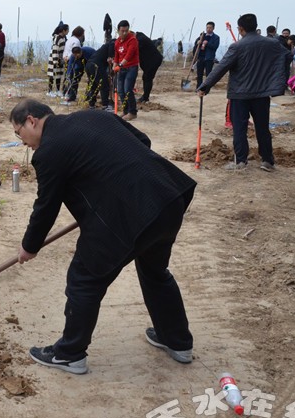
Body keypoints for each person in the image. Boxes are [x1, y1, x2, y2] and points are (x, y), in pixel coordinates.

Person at [10, 99, 196, 374]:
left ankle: (70, 353)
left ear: (31, 120)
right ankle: (178, 342)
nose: (22, 142)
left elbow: (46, 205)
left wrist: (29, 246)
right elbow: (142, 141)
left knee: (83, 280)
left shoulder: (49, 151)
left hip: (130, 216)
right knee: (155, 271)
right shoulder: (94, 116)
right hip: (168, 198)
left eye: (19, 133)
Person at [198, 13, 288, 172]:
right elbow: (287, 55)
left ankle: (240, 161)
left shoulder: (237, 47)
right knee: (262, 128)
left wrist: (205, 86)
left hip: (240, 95)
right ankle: (267, 161)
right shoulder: (271, 44)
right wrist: (275, 79)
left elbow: (221, 67)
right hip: (262, 94)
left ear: (240, 29)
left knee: (239, 128)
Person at [113, 20, 140, 121]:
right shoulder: (117, 42)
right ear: (118, 31)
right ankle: (125, 111)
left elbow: (129, 55)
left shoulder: (132, 40)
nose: (124, 33)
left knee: (128, 89)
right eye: (122, 31)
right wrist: (114, 65)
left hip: (131, 68)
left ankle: (132, 112)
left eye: (126, 31)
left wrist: (120, 65)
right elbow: (116, 56)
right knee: (120, 91)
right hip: (121, 69)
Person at [85, 41, 113, 110]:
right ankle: (105, 105)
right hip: (96, 66)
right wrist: (110, 56)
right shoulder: (114, 43)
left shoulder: (105, 47)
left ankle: (91, 104)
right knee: (104, 85)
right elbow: (112, 45)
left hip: (89, 65)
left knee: (94, 85)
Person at [136, 32, 164, 103]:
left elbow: (134, 50)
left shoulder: (140, 39)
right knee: (145, 77)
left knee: (148, 78)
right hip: (151, 61)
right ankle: (145, 96)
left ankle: (145, 98)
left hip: (153, 61)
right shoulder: (140, 37)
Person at [194, 22, 220, 90]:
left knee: (208, 75)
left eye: (210, 27)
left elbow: (215, 47)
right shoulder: (202, 36)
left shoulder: (216, 37)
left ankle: (206, 89)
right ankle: (199, 88)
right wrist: (198, 43)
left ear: (213, 28)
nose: (208, 29)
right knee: (199, 74)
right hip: (200, 57)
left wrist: (207, 43)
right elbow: (196, 45)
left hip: (209, 58)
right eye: (207, 27)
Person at [47, 22, 68, 97]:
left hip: (60, 59)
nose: (68, 31)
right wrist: (55, 61)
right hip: (54, 59)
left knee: (58, 76)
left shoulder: (63, 38)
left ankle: (58, 90)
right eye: (67, 30)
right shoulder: (57, 38)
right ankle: (49, 91)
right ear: (63, 31)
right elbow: (55, 49)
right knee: (52, 76)